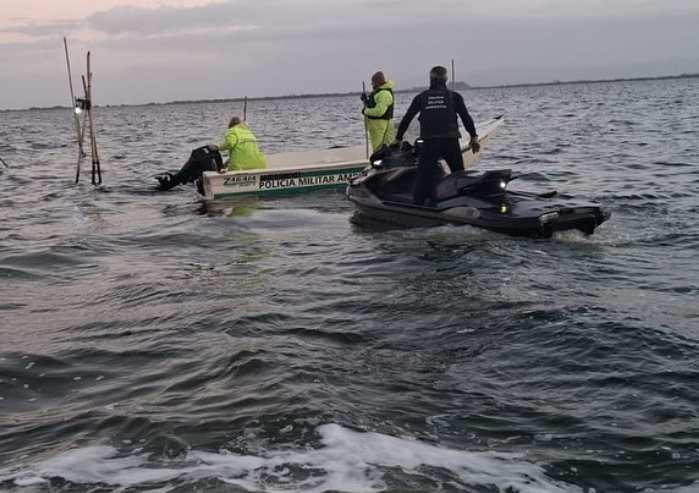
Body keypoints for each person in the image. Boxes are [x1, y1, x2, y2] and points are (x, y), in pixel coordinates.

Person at [394, 66, 480, 206]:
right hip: (451, 142)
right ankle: (464, 204)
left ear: (430, 79)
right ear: (446, 80)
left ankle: (419, 206)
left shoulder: (421, 97)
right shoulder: (455, 97)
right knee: (458, 175)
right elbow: (466, 118)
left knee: (423, 178)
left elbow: (407, 118)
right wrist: (474, 137)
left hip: (429, 143)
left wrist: (398, 138)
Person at [361, 71, 396, 152]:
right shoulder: (379, 92)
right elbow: (374, 105)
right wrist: (366, 100)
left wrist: (365, 111)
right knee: (382, 147)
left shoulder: (384, 93)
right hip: (379, 124)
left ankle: (380, 159)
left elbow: (379, 111)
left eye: (373, 82)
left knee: (378, 148)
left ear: (377, 82)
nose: (372, 84)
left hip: (379, 125)